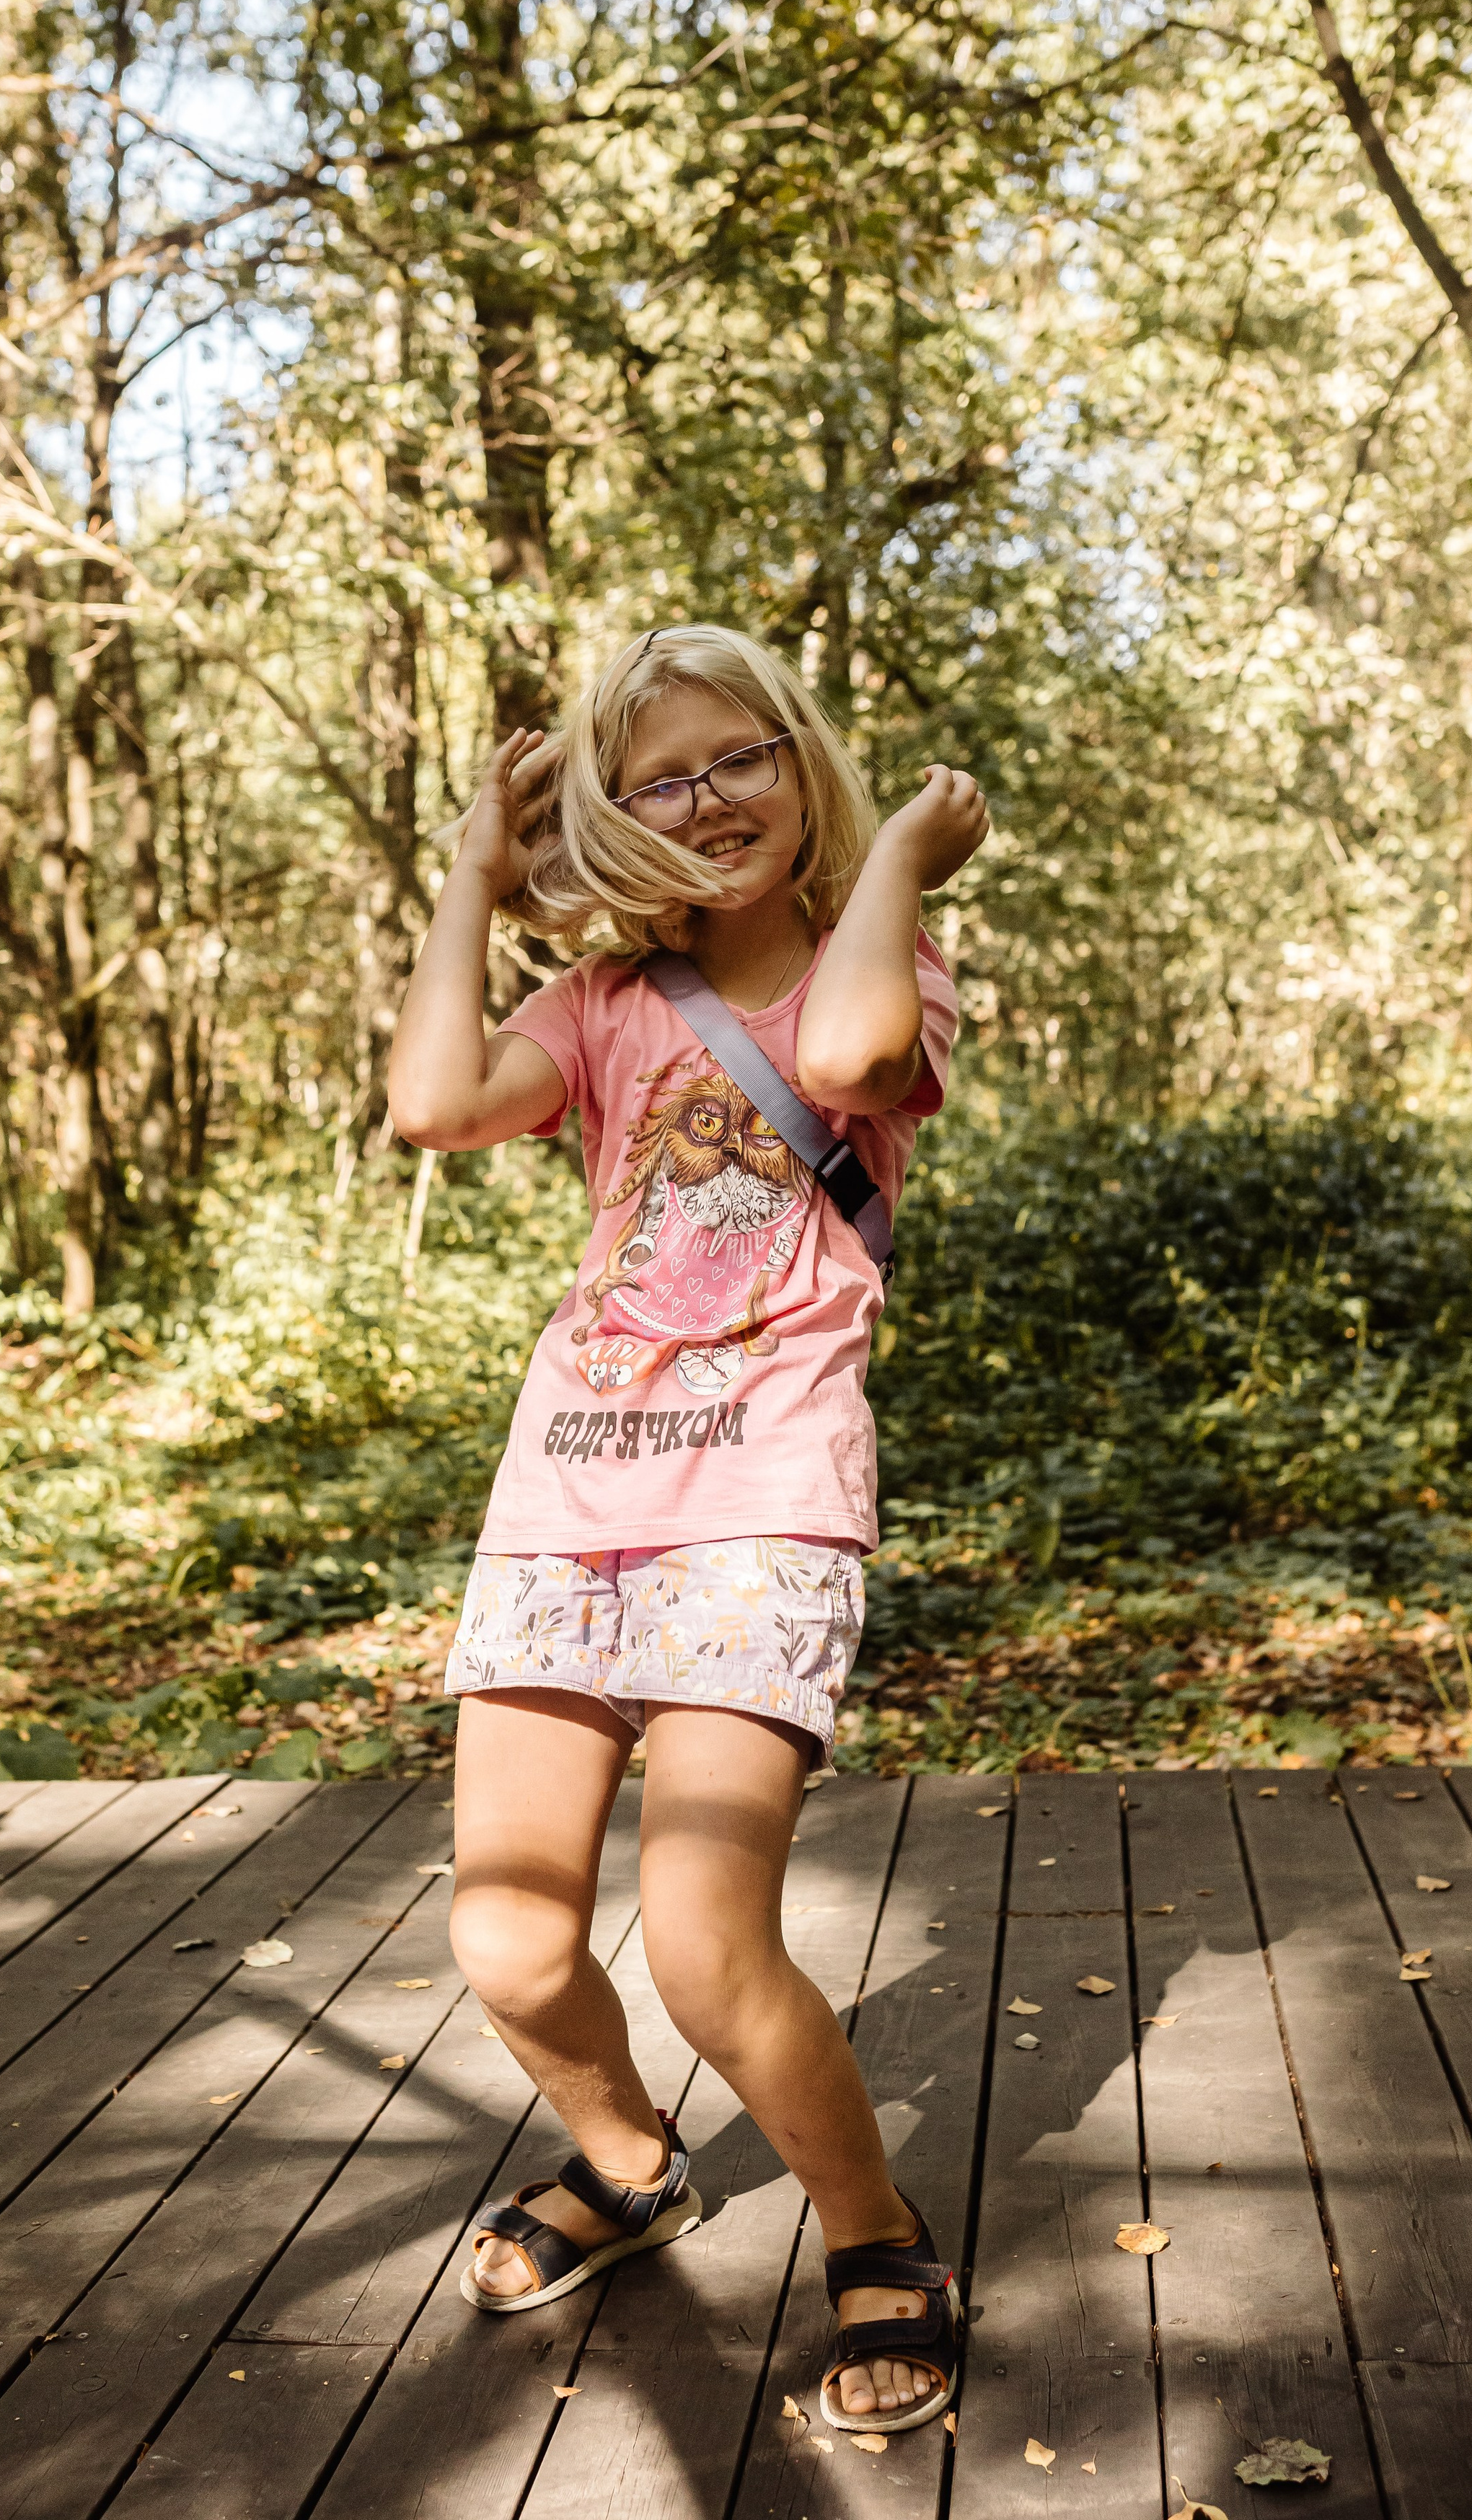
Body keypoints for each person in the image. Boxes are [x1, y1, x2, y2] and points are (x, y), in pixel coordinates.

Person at [387, 622, 989, 2436]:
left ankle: (873, 2232)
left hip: (758, 1503)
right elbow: (431, 1102)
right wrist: (474, 876)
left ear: (802, 768)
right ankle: (629, 2160)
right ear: (610, 811)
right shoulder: (592, 1006)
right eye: (661, 775)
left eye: (741, 758)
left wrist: (883, 858)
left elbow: (862, 1044)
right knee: (504, 1940)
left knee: (705, 1940)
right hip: (565, 1504)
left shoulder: (893, 959)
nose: (706, 798)